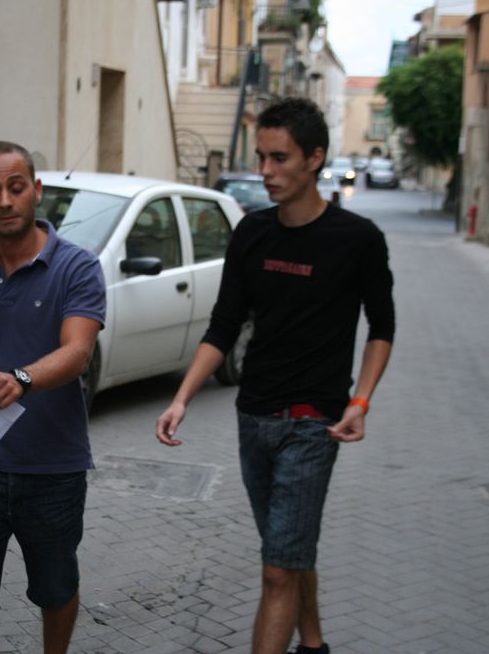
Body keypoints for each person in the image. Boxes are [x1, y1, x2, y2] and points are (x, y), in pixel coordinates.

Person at [155, 98, 395, 654]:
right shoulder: (252, 233)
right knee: (286, 550)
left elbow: (382, 328)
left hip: (313, 425)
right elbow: (223, 325)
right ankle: (313, 643)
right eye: (261, 157)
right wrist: (182, 397)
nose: (265, 170)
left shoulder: (358, 239)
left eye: (279, 158)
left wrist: (360, 401)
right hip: (254, 419)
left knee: (277, 570)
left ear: (315, 158)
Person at [0, 140, 106, 654]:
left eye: (15, 187)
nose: (5, 201)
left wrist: (22, 379)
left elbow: (78, 352)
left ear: (36, 190)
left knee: (56, 590)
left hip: (53, 469)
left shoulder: (77, 267)